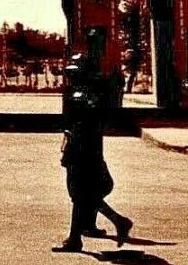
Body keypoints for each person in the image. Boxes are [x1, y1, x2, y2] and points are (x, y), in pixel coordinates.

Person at [52, 55, 133, 253]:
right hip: (88, 149)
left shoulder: (81, 95)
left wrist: (68, 149)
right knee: (83, 195)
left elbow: (73, 126)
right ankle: (112, 222)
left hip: (82, 150)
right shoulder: (91, 93)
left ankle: (76, 238)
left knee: (80, 194)